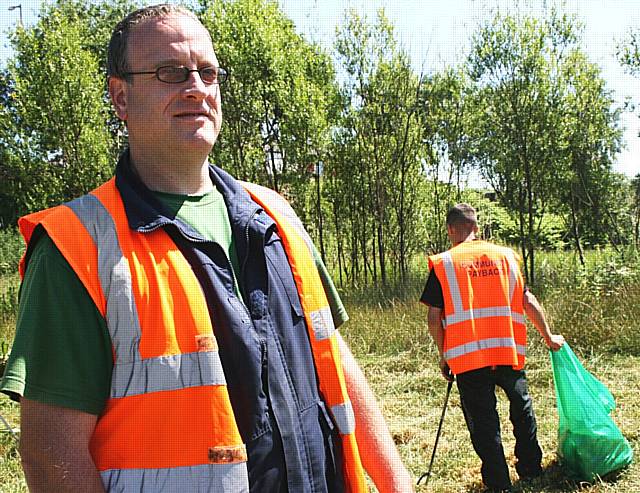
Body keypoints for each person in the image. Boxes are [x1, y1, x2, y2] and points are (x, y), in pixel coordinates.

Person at [0, 5, 414, 492]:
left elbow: (334, 360)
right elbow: (53, 452)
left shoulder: (273, 214)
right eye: (170, 72)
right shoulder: (76, 245)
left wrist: (398, 483)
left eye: (208, 72)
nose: (196, 87)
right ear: (120, 98)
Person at [420, 203, 564, 493]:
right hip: (506, 350)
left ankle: (498, 482)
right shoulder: (506, 257)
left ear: (450, 230)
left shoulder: (444, 263)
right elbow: (527, 300)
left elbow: (434, 318)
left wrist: (445, 354)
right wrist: (548, 336)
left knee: (483, 421)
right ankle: (530, 468)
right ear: (476, 227)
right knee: (522, 409)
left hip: (468, 358)